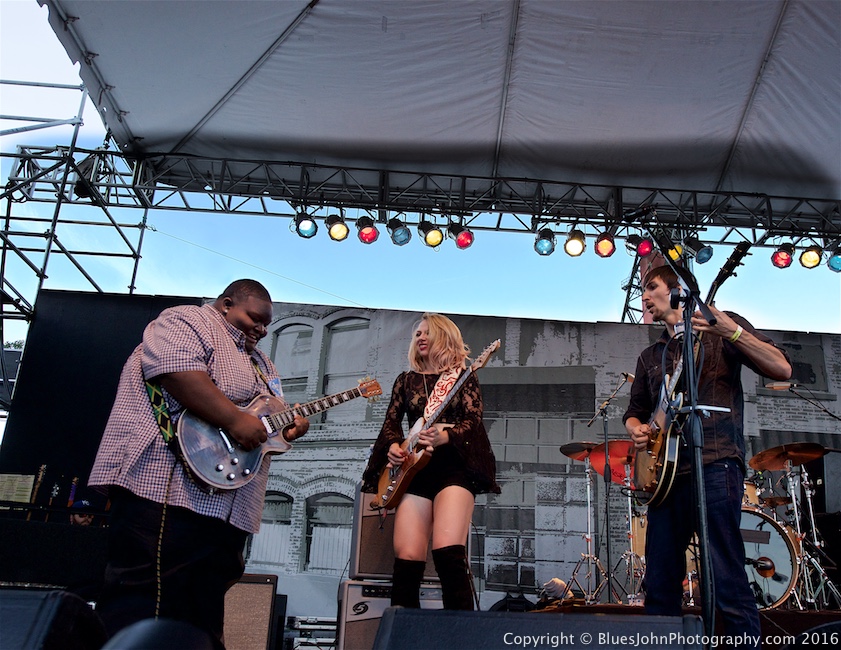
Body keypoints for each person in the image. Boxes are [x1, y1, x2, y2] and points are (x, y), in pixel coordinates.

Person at [88, 279, 309, 645]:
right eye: (255, 317)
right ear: (226, 304)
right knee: (145, 601)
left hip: (229, 504)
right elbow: (176, 370)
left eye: (267, 324)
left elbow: (267, 422)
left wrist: (290, 426)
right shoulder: (187, 320)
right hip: (165, 487)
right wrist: (236, 421)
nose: (262, 328)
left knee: (200, 612)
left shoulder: (262, 362)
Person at [624, 265, 791, 644]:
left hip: (715, 462)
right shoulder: (651, 355)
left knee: (725, 575)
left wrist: (730, 330)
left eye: (651, 288)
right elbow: (634, 411)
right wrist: (636, 428)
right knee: (660, 582)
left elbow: (781, 367)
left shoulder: (720, 328)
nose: (644, 297)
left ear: (679, 291)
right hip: (665, 478)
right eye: (643, 291)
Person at [361, 313, 499, 610]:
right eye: (417, 334)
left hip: (454, 470)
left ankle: (457, 639)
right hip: (413, 472)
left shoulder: (464, 376)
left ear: (444, 337)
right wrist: (394, 446)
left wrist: (444, 437)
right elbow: (390, 424)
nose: (420, 337)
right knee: (408, 555)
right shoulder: (406, 380)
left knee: (448, 549)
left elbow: (473, 421)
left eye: (427, 332)